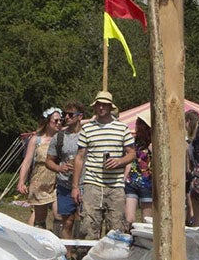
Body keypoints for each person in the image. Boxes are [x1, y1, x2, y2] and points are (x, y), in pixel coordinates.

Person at [73, 90, 135, 238]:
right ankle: (86, 257)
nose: (101, 108)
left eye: (104, 105)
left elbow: (132, 153)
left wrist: (119, 161)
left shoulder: (122, 128)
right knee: (88, 226)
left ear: (110, 107)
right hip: (92, 184)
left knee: (116, 228)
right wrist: (75, 187)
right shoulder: (87, 128)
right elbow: (79, 157)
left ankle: (113, 259)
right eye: (98, 105)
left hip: (115, 185)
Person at [16, 108, 63, 229]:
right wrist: (21, 181)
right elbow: (26, 162)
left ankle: (59, 242)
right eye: (56, 120)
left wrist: (93, 119)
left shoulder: (62, 137)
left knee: (59, 214)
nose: (59, 123)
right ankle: (36, 240)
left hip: (57, 180)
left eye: (60, 120)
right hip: (40, 181)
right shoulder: (36, 139)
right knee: (39, 217)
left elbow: (77, 123)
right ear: (48, 122)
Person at [52, 104, 84, 236]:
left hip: (86, 184)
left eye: (71, 114)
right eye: (65, 114)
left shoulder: (88, 135)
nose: (66, 117)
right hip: (64, 184)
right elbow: (49, 160)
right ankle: (68, 255)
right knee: (67, 222)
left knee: (86, 222)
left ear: (80, 116)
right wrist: (59, 167)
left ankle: (83, 253)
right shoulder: (59, 137)